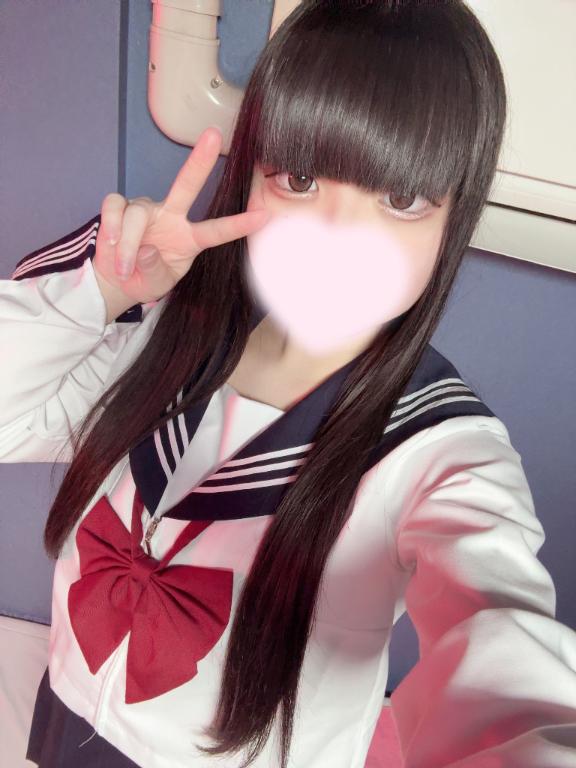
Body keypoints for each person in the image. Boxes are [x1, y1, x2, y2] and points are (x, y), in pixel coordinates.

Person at [2, 1, 576, 766]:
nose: (334, 240)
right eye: (300, 179)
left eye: (400, 199)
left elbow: (503, 642)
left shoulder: (441, 455)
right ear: (251, 175)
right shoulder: (154, 332)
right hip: (67, 725)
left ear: (452, 218)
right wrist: (102, 292)